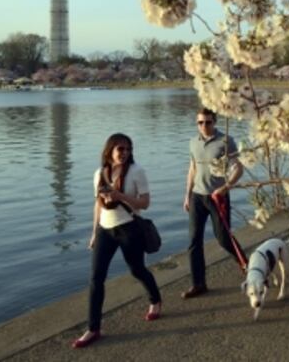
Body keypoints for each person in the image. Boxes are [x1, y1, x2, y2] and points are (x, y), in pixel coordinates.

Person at [72, 133, 161, 349]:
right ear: (110, 150)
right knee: (96, 278)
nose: (125, 153)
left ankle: (155, 300)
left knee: (137, 270)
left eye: (128, 149)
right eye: (120, 149)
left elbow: (145, 203)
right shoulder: (99, 174)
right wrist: (94, 232)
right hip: (106, 230)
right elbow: (98, 204)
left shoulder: (137, 171)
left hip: (129, 228)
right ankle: (93, 328)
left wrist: (120, 196)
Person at [182, 107, 245, 299]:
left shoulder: (225, 141)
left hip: (218, 196)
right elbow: (192, 168)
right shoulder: (193, 142)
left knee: (223, 239)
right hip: (197, 197)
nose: (204, 126)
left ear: (214, 122)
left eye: (208, 122)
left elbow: (238, 168)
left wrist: (225, 187)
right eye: (200, 122)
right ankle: (198, 284)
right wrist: (187, 195)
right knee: (193, 242)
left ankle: (248, 267)